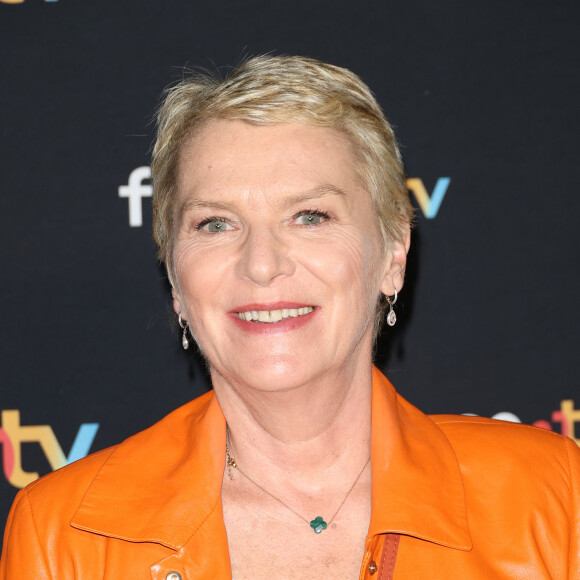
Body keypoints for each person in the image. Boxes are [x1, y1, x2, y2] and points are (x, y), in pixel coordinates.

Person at [1, 55, 578, 580]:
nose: (261, 264)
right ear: (175, 279)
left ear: (392, 255)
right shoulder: (63, 536)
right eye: (215, 223)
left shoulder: (553, 497)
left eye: (309, 215)